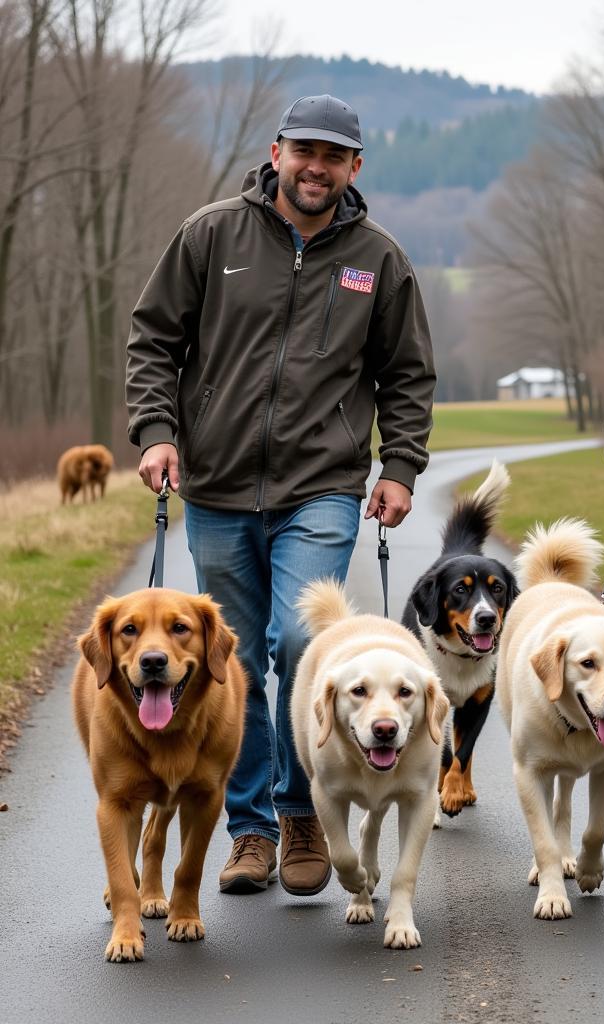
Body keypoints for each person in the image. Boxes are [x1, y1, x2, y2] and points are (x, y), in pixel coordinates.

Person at [126, 94, 436, 896]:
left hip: (322, 487)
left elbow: (407, 375)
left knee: (303, 646)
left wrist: (399, 467)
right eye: (304, 151)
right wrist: (157, 430)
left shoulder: (379, 258)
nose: (315, 167)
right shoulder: (211, 234)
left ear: (354, 168)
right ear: (276, 152)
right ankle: (250, 830)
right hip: (219, 486)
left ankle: (302, 812)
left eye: (334, 156)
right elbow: (154, 337)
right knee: (228, 665)